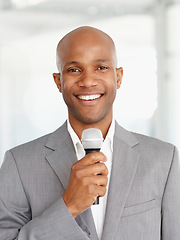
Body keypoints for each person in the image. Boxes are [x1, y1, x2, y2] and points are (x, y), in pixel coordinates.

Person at [0, 26, 180, 240]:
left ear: (118, 77)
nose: (88, 81)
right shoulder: (19, 163)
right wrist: (68, 206)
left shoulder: (164, 159)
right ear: (58, 81)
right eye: (74, 70)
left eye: (101, 67)